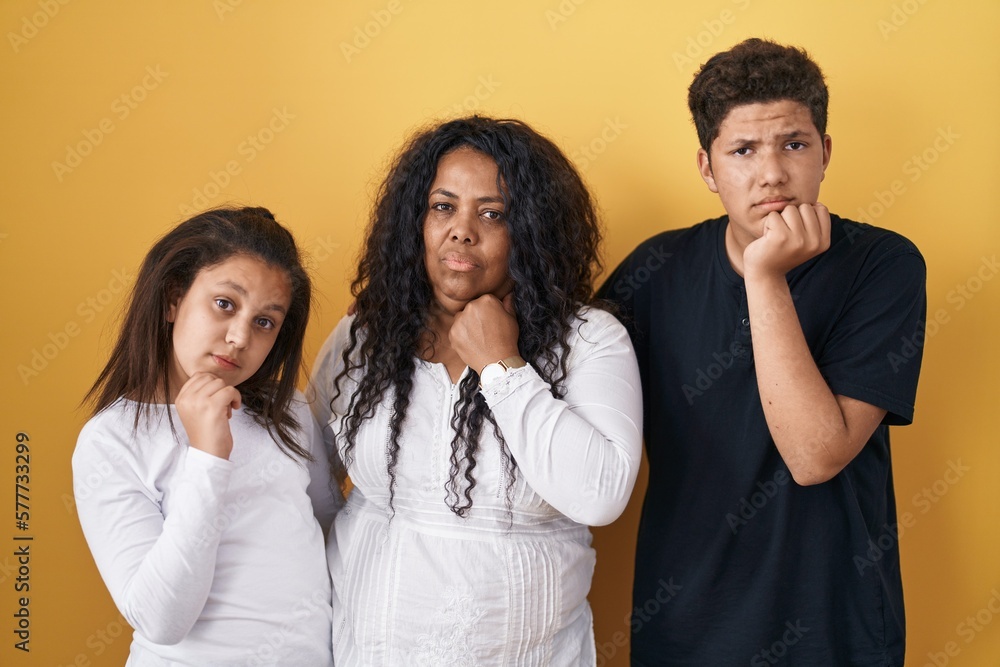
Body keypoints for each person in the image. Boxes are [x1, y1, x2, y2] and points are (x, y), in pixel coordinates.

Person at [598, 39, 926, 665]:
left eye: (794, 144)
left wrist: (765, 278)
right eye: (743, 150)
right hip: (685, 627)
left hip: (836, 627)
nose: (772, 172)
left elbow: (815, 455)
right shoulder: (653, 271)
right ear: (707, 167)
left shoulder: (884, 265)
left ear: (825, 152)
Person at [309, 116, 643, 665]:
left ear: (533, 230)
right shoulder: (366, 332)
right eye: (443, 206)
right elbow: (309, 481)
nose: (462, 230)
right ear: (415, 219)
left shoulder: (588, 341)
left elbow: (601, 494)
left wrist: (502, 365)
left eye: (493, 213)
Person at [73, 207, 341, 666]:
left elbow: (332, 530)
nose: (239, 337)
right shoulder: (111, 440)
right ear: (173, 299)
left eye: (265, 322)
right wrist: (207, 455)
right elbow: (160, 620)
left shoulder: (287, 411)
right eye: (225, 304)